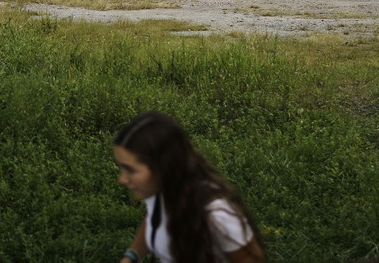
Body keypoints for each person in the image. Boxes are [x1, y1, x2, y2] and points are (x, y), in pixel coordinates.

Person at [113, 111, 266, 263]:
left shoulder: (216, 217)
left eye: (130, 170)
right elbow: (153, 218)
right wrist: (132, 256)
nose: (122, 179)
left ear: (163, 167)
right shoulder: (159, 192)